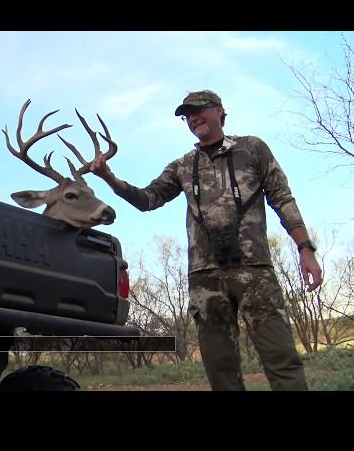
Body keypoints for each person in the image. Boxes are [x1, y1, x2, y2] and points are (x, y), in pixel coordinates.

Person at [90, 90, 322, 391]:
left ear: (220, 111)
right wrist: (109, 177)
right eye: (187, 115)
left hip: (255, 271)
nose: (193, 118)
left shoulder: (252, 148)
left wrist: (305, 249)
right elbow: (148, 199)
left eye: (199, 109)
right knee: (219, 369)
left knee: (282, 359)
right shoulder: (183, 166)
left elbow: (282, 198)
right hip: (205, 279)